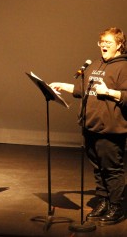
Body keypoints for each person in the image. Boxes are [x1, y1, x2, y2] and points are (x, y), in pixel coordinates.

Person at [50, 27, 127, 226]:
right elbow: (84, 90)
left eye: (108, 42)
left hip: (110, 129)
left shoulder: (124, 67)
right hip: (90, 126)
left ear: (119, 44)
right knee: (98, 168)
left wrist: (109, 92)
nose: (104, 45)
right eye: (101, 42)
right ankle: (103, 201)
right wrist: (63, 86)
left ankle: (117, 206)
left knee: (112, 170)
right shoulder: (94, 65)